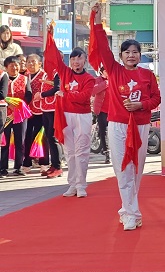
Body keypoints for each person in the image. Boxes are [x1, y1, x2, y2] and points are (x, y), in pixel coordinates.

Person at [91, 3, 161, 230]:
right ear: (120, 56)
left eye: (135, 52)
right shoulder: (114, 70)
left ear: (140, 55)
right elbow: (102, 47)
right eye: (127, 52)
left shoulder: (147, 75)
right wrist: (97, 21)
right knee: (123, 168)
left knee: (136, 169)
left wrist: (140, 105)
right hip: (118, 125)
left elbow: (156, 99)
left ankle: (128, 209)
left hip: (140, 125)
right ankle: (132, 213)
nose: (131, 55)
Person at [44, 32, 96, 198]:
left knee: (82, 151)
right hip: (66, 116)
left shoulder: (89, 79)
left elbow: (84, 97)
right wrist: (50, 35)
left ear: (85, 60)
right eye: (73, 59)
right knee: (69, 152)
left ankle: (81, 185)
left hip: (82, 116)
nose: (76, 62)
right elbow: (55, 57)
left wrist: (65, 95)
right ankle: (72, 184)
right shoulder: (65, 72)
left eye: (79, 59)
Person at [1, 56, 31, 177]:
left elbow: (29, 95)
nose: (14, 67)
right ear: (6, 67)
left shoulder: (25, 79)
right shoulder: (3, 78)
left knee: (20, 141)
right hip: (6, 114)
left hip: (20, 115)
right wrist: (9, 104)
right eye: (11, 65)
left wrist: (20, 105)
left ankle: (18, 166)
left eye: (16, 65)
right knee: (4, 141)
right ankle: (3, 168)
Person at [21, 54, 48, 174]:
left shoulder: (45, 76)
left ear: (40, 63)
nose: (31, 64)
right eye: (29, 62)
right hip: (28, 111)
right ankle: (27, 162)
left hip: (42, 110)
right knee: (27, 137)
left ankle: (44, 162)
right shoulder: (25, 77)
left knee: (42, 137)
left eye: (33, 62)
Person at [39, 73, 63, 178]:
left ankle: (58, 167)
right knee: (49, 137)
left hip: (54, 108)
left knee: (53, 137)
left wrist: (41, 95)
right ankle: (53, 165)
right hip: (46, 108)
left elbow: (57, 88)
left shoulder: (57, 73)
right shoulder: (46, 73)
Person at [92, 67, 111, 165]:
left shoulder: (114, 79)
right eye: (106, 71)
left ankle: (111, 150)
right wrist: (105, 83)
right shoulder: (98, 80)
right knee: (103, 132)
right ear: (102, 72)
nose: (108, 72)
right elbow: (93, 91)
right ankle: (107, 153)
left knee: (112, 131)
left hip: (112, 110)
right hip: (101, 110)